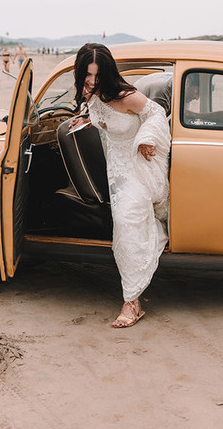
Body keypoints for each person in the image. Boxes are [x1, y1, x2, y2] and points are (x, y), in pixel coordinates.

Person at [70, 43, 170, 328]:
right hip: (115, 170)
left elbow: (155, 114)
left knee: (126, 221)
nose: (91, 81)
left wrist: (147, 138)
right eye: (86, 75)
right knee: (123, 218)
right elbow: (104, 119)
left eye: (97, 76)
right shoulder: (91, 94)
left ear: (108, 72)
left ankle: (132, 300)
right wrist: (89, 121)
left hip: (139, 166)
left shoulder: (127, 95)